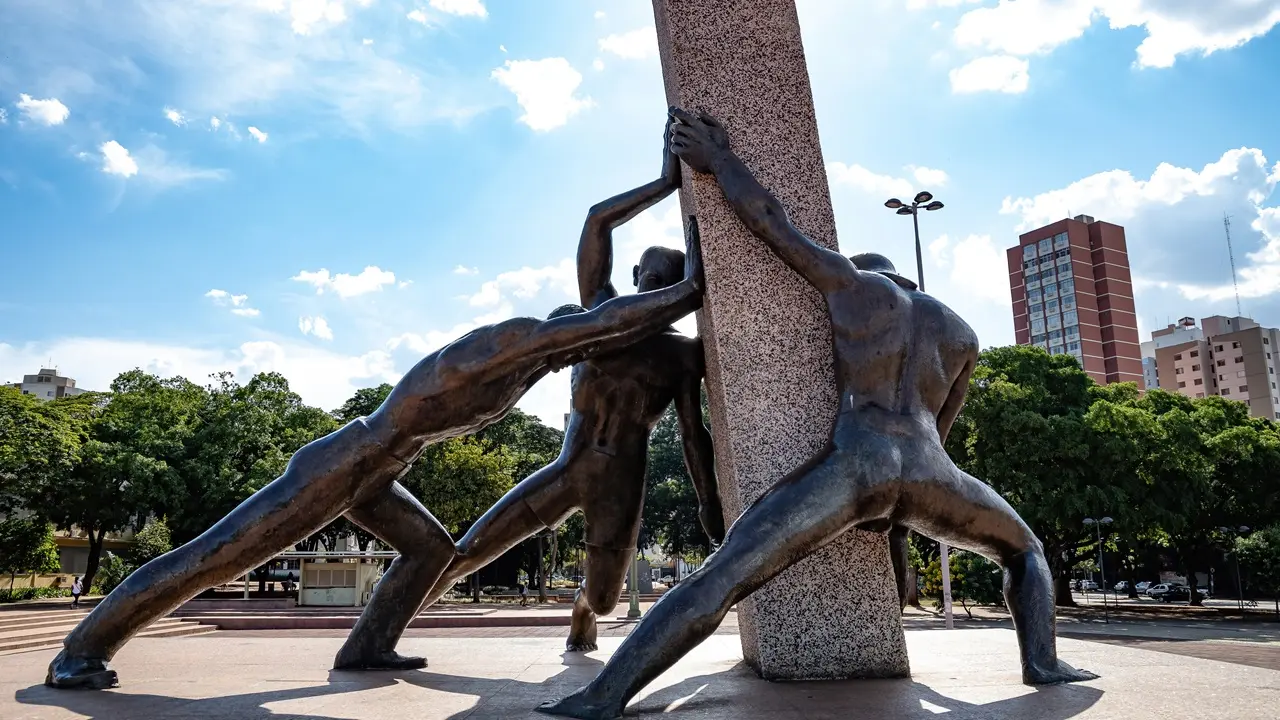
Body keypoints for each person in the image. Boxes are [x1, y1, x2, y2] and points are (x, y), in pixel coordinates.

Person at [538, 107, 1096, 720]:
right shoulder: (961, 334)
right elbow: (944, 426)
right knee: (1026, 550)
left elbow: (776, 229)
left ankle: (602, 696)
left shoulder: (858, 288)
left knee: (722, 578)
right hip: (931, 472)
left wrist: (718, 158)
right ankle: (1042, 662)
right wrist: (903, 512)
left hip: (857, 462)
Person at [45, 208, 706, 690]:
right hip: (346, 462)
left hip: (383, 471)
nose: (593, 344)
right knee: (219, 558)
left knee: (433, 551)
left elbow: (620, 329)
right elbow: (610, 311)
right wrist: (696, 278)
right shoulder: (515, 344)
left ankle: (368, 647)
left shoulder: (541, 361)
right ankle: (83, 645)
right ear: (568, 329)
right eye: (587, 332)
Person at [339, 116, 722, 661]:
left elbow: (693, 433)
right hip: (567, 470)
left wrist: (709, 504)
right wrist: (664, 183)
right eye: (649, 280)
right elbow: (596, 223)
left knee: (606, 600)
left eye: (667, 285)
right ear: (634, 275)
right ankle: (371, 640)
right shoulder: (596, 318)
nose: (653, 292)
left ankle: (582, 611)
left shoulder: (682, 355)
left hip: (621, 483)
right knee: (468, 550)